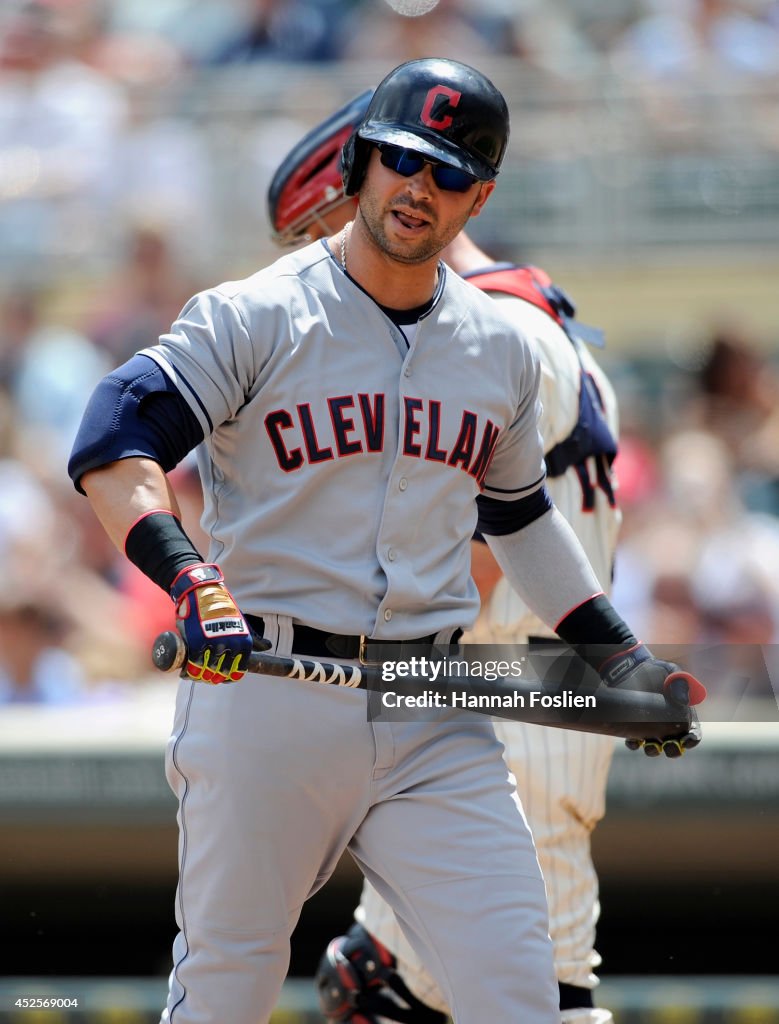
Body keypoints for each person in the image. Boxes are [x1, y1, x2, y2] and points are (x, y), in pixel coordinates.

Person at [69, 59, 704, 1024]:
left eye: (449, 173)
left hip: (429, 712)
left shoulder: (499, 345)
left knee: (520, 992)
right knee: (226, 989)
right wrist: (185, 574)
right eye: (403, 160)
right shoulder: (260, 311)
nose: (420, 188)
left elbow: (520, 517)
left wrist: (616, 653)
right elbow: (113, 436)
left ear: (479, 195)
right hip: (268, 694)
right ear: (362, 164)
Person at [267, 92, 620, 1024]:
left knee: (516, 1001)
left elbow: (473, 569)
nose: (312, 266)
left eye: (311, 234)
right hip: (502, 733)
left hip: (505, 748)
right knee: (380, 983)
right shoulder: (535, 324)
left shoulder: (494, 337)